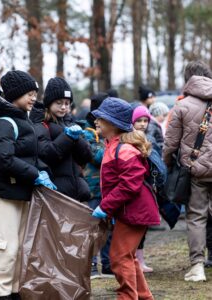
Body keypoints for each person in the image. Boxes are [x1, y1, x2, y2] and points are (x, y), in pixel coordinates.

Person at [0, 70, 56, 300]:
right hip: (3, 193)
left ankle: (13, 292)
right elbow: (4, 158)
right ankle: (0, 293)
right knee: (4, 248)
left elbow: (28, 155)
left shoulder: (23, 119)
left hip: (20, 192)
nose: (34, 98)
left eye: (35, 93)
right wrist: (34, 174)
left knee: (19, 249)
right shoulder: (3, 123)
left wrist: (43, 171)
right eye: (28, 94)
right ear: (14, 95)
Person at [91, 97, 160, 300]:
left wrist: (105, 206)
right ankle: (144, 297)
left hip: (136, 212)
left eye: (100, 119)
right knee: (127, 256)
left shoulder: (125, 149)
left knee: (119, 257)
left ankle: (128, 297)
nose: (96, 122)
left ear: (112, 123)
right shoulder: (113, 145)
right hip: (129, 211)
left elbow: (130, 184)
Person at [163, 60, 212, 282]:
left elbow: (170, 145)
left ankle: (197, 267)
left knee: (196, 217)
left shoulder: (181, 106)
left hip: (195, 172)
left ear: (187, 79)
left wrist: (168, 165)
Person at [30, 77, 92, 202]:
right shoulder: (40, 124)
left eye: (67, 103)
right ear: (49, 103)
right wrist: (67, 137)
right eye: (59, 103)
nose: (63, 107)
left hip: (77, 192)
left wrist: (79, 140)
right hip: (56, 194)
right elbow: (46, 154)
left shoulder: (70, 123)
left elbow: (86, 157)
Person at [82, 92, 113, 279]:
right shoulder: (87, 133)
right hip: (92, 188)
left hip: (108, 189)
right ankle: (92, 266)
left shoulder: (109, 132)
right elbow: (98, 156)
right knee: (93, 228)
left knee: (109, 227)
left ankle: (108, 265)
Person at [131, 105, 155, 273]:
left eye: (145, 120)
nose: (142, 124)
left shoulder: (148, 138)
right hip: (136, 188)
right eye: (139, 120)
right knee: (134, 226)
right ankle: (134, 261)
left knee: (143, 227)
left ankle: (140, 260)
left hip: (146, 187)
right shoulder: (130, 140)